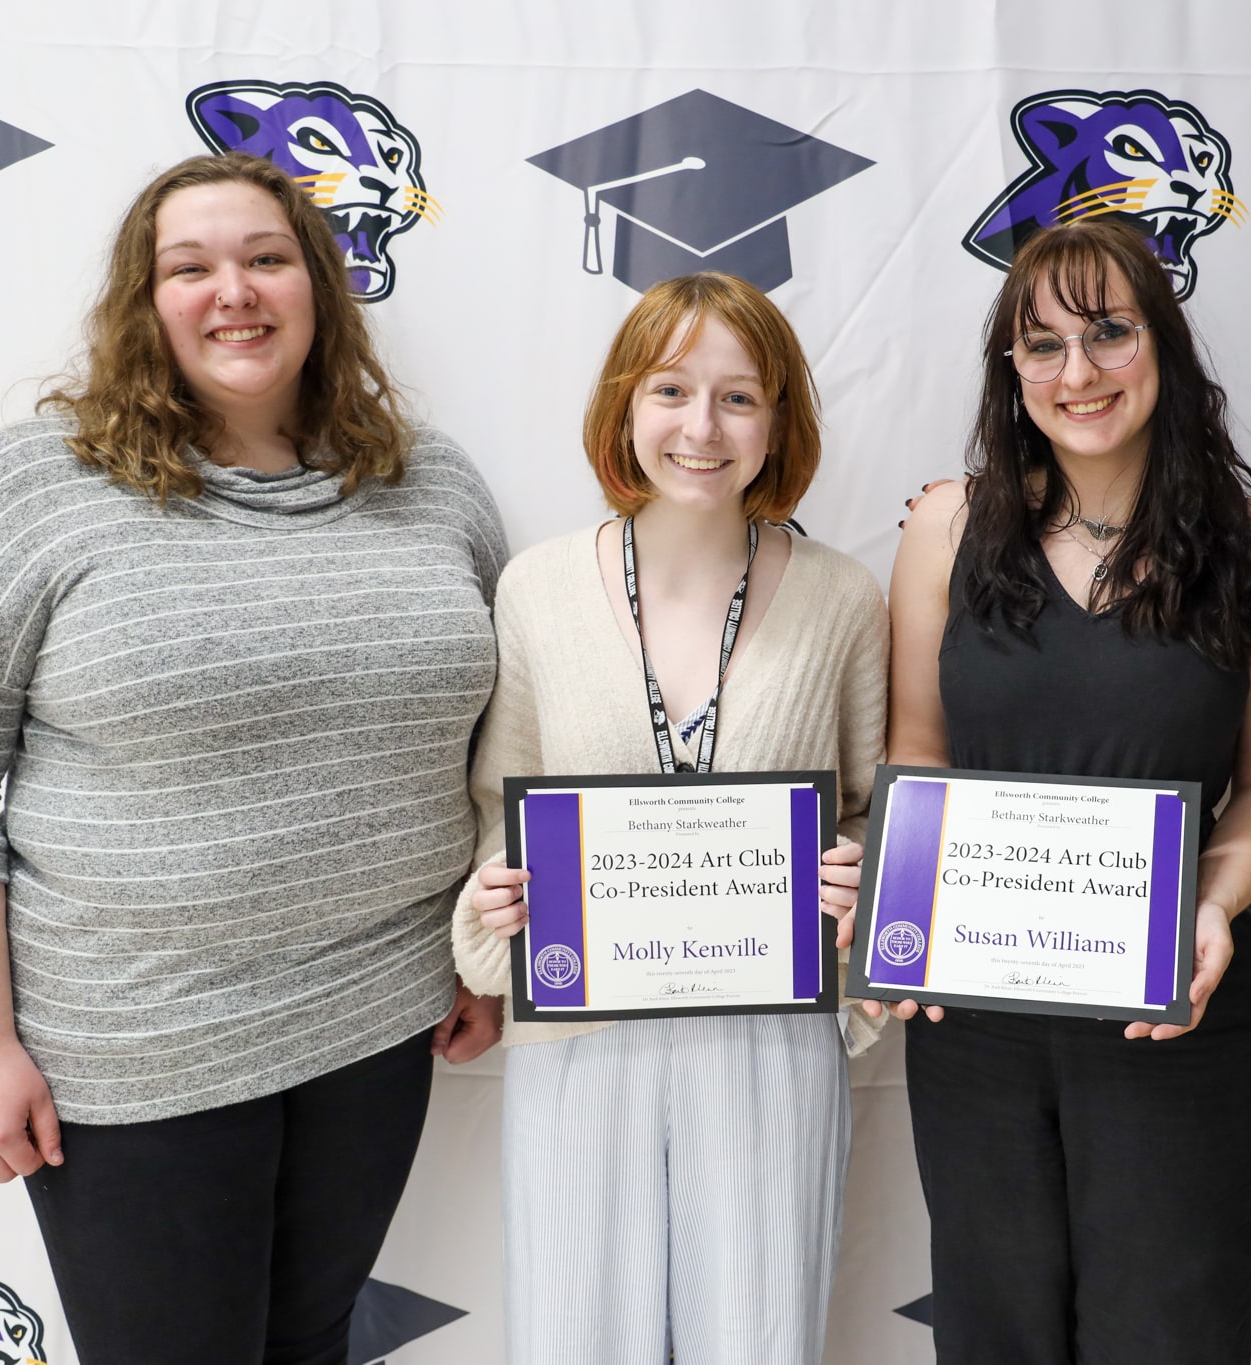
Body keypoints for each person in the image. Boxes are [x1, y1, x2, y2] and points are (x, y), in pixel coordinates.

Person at [0, 152, 507, 1365]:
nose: (235, 292)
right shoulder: (35, 486)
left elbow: (487, 743)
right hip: (139, 1040)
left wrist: (479, 948)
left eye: (267, 259)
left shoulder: (429, 484)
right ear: (141, 300)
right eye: (190, 267)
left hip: (379, 1014)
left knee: (309, 1343)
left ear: (319, 286)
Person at [885, 214, 1251, 1363]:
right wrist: (901, 917)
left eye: (1108, 333)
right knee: (995, 1333)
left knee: (1168, 1335)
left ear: (1161, 345)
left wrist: (1209, 902)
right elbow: (917, 752)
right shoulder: (943, 527)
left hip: (1175, 1003)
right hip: (974, 1017)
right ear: (1011, 370)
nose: (1076, 372)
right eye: (1042, 345)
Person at [450, 271, 887, 1365]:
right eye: (671, 390)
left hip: (767, 1049)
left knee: (759, 1341)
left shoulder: (842, 598)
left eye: (739, 397)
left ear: (778, 421)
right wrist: (495, 898)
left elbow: (868, 808)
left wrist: (857, 880)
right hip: (578, 1044)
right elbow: (500, 807)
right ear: (625, 405)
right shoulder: (537, 590)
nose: (702, 427)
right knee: (574, 1340)